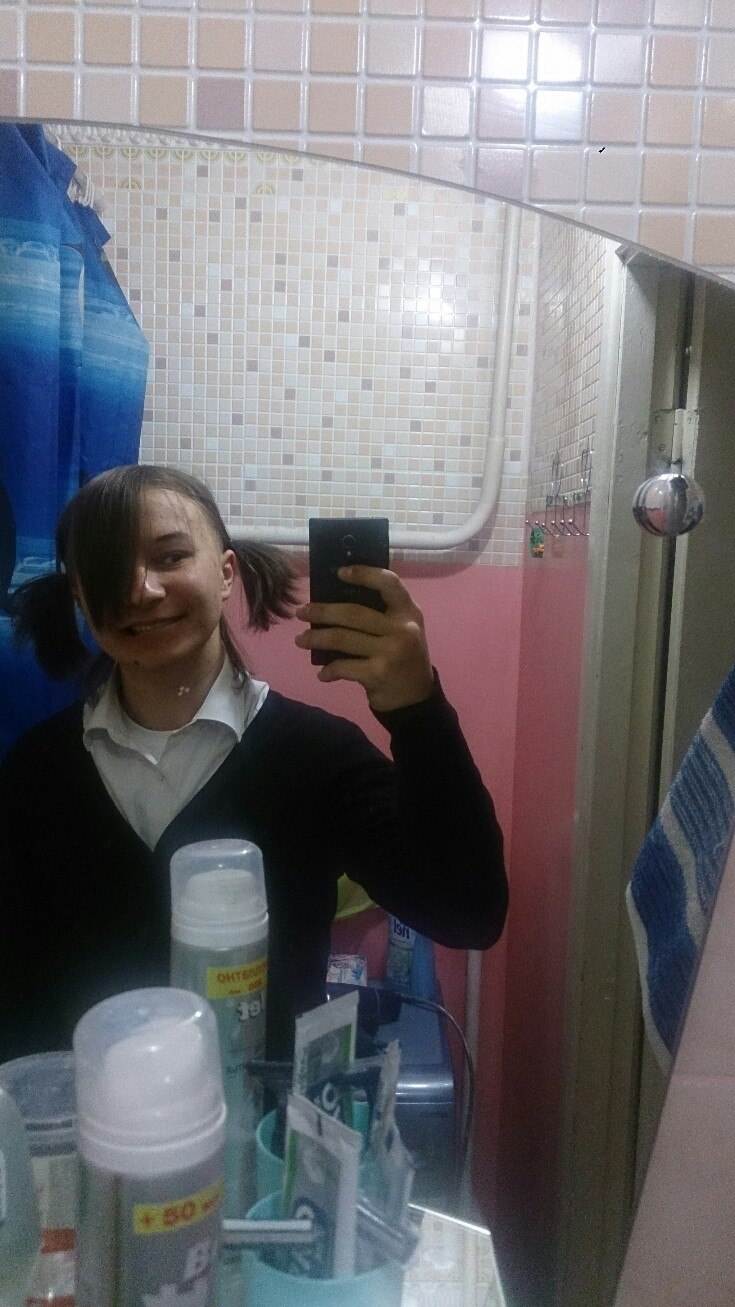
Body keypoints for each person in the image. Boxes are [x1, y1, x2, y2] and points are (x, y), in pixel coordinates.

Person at [0, 465, 507, 1063]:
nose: (141, 590)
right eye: (108, 568)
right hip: (89, 1115)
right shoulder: (38, 768)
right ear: (81, 597)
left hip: (263, 1116)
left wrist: (418, 712)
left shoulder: (318, 757)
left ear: (225, 573)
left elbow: (469, 913)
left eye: (171, 557)